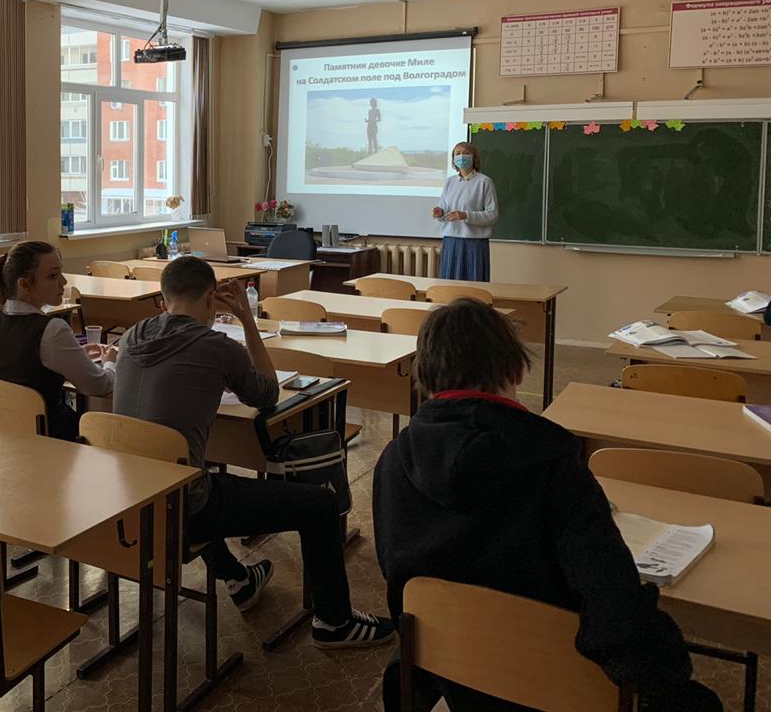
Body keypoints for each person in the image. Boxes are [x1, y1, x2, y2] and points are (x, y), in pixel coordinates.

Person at [372, 299, 721, 712]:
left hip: (446, 677)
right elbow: (618, 614)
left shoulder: (392, 463)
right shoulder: (556, 469)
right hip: (556, 687)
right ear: (517, 372)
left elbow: (399, 580)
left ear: (424, 378)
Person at [115, 256, 395, 648]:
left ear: (163, 300)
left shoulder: (131, 337)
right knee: (319, 504)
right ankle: (335, 622)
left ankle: (240, 579)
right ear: (211, 299)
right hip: (186, 507)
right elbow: (267, 394)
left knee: (195, 473)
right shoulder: (215, 346)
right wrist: (247, 320)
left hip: (131, 501)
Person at [0, 241, 115, 441]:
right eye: (53, 276)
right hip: (47, 436)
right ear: (25, 285)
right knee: (105, 431)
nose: (63, 281)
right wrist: (111, 363)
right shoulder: (52, 330)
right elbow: (98, 386)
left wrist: (75, 356)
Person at [432, 141, 497, 281]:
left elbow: (492, 215)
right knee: (449, 287)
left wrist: (465, 215)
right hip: (451, 242)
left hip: (474, 244)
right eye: (458, 153)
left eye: (466, 153)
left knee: (473, 286)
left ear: (474, 158)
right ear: (453, 158)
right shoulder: (450, 182)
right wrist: (440, 213)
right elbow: (444, 210)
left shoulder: (484, 182)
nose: (461, 156)